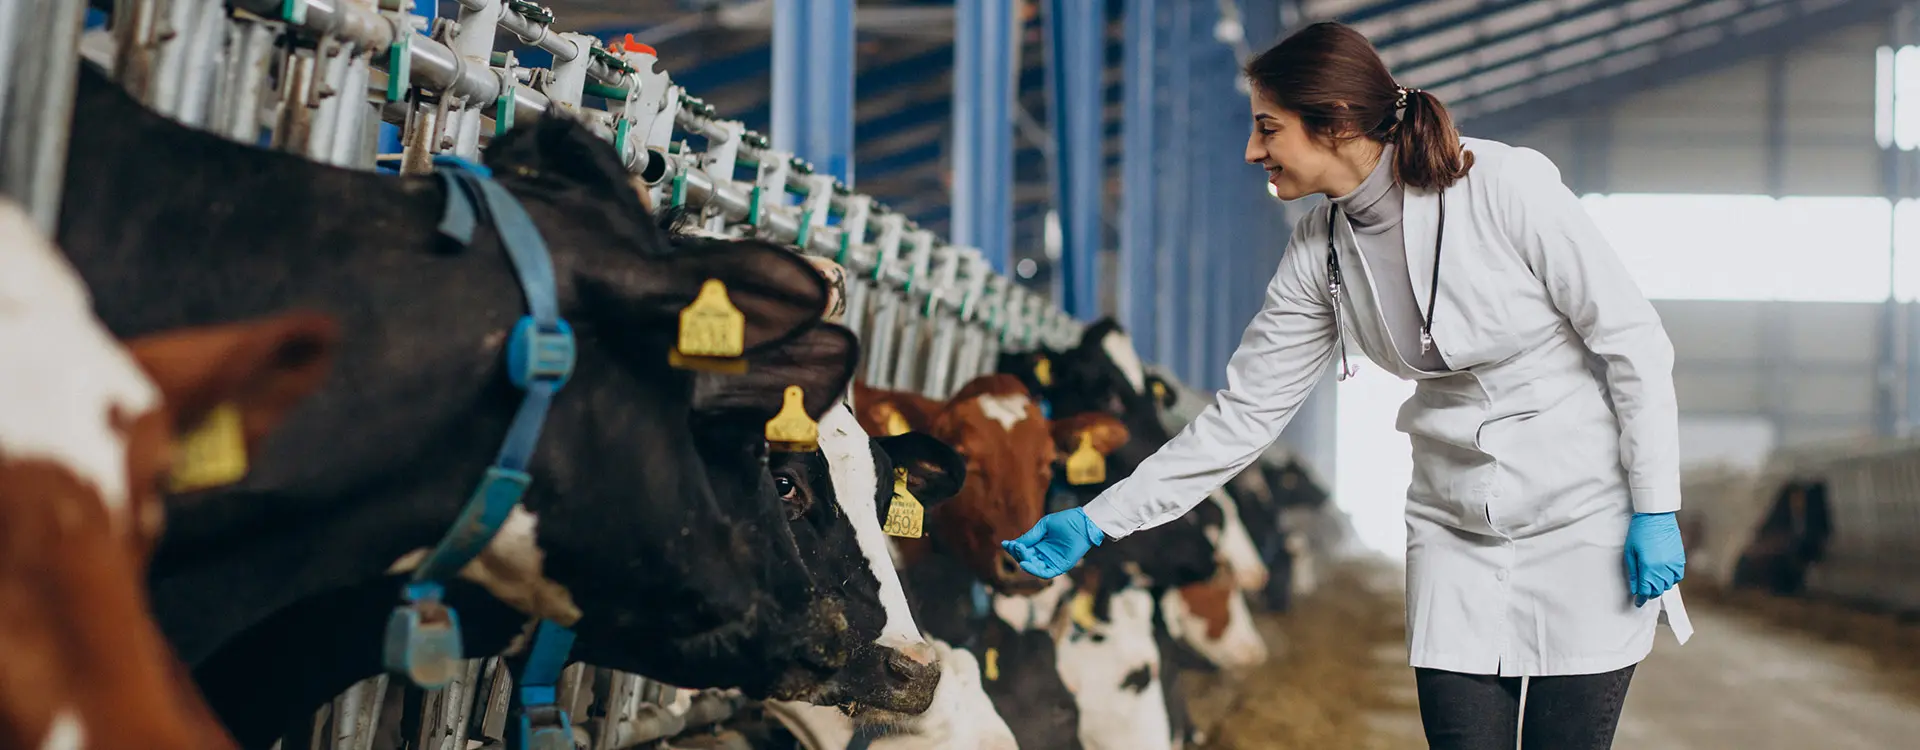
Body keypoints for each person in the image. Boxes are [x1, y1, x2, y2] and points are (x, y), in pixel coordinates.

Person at [1001, 20, 1689, 750]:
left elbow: (1632, 342)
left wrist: (1655, 505)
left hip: (1585, 523)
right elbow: (1242, 419)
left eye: (1268, 127)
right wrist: (1101, 518)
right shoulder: (1317, 250)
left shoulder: (1504, 186)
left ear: (1332, 124)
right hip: (1454, 528)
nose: (1251, 150)